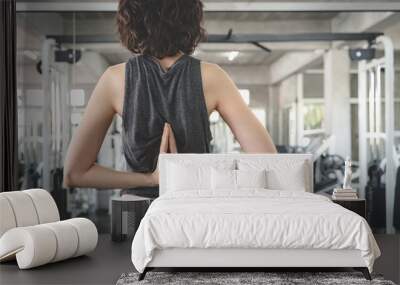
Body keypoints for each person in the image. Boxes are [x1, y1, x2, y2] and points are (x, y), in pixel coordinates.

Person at [63, 0, 276, 197]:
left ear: (130, 19)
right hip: (193, 218)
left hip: (136, 221)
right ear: (191, 18)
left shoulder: (114, 79)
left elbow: (75, 174)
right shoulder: (213, 77)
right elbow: (270, 162)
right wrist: (202, 175)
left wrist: (151, 179)